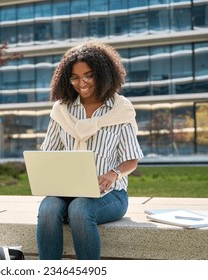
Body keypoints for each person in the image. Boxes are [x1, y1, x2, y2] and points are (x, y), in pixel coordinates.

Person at [37, 40, 144, 260]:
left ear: (103, 73)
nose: (81, 83)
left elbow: (131, 160)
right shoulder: (62, 111)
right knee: (48, 208)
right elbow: (49, 154)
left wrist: (113, 174)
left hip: (111, 195)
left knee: (80, 209)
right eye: (75, 77)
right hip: (67, 192)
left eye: (88, 75)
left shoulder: (121, 110)